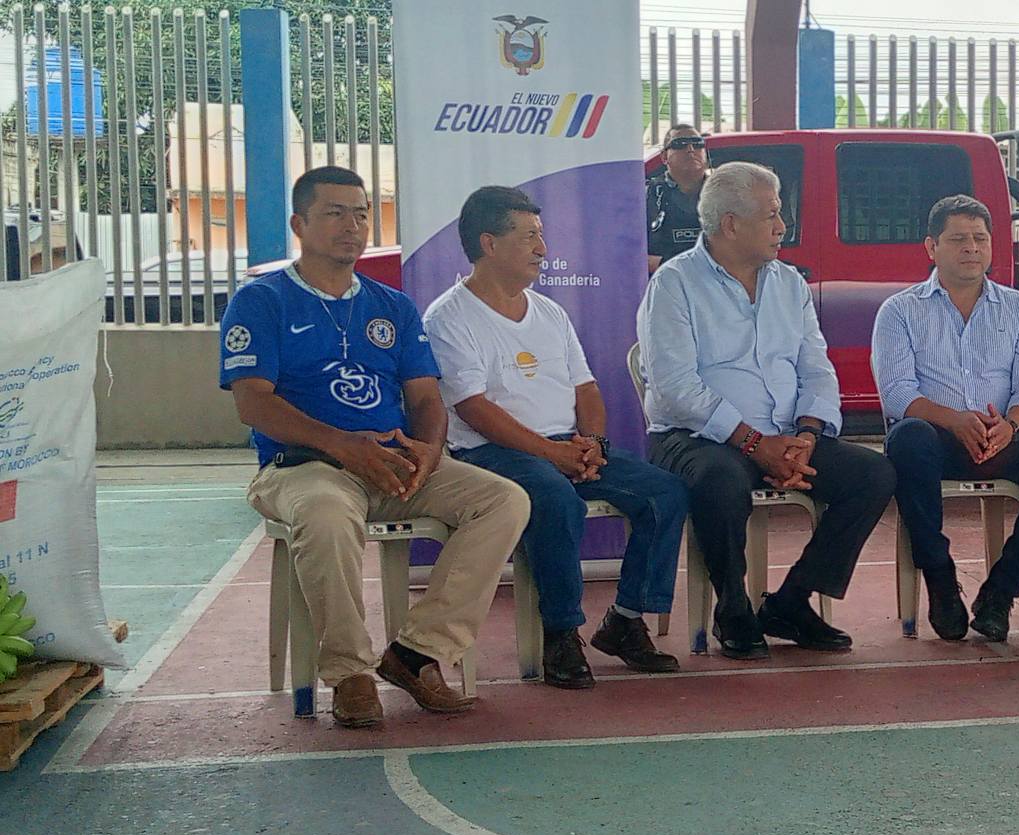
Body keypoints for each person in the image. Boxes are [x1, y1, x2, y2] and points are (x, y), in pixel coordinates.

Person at [222, 166, 527, 729]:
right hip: (304, 468)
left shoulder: (393, 305)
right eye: (335, 213)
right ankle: (350, 673)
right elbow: (253, 404)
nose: (353, 226)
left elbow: (426, 398)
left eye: (361, 214)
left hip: (395, 464)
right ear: (299, 224)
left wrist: (429, 453)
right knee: (324, 514)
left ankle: (417, 652)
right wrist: (344, 447)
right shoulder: (261, 301)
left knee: (504, 500)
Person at [425, 186, 689, 690]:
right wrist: (554, 455)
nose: (542, 249)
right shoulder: (448, 318)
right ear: (489, 244)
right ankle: (561, 634)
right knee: (556, 500)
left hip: (565, 445)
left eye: (541, 236)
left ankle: (626, 620)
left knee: (665, 492)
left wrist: (591, 445)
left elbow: (585, 388)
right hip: (491, 454)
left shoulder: (549, 312)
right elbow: (473, 408)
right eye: (529, 237)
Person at [639, 161, 897, 661]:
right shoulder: (674, 284)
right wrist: (754, 443)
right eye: (772, 215)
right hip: (698, 437)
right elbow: (674, 388)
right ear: (730, 224)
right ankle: (732, 608)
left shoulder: (789, 283)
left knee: (874, 474)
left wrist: (807, 435)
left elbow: (815, 366)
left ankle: (791, 602)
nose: (783, 226)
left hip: (785, 435)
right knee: (720, 481)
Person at [872, 195, 1019, 642]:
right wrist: (954, 420)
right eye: (958, 239)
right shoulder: (899, 311)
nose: (971, 248)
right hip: (936, 439)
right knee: (907, 440)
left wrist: (1013, 425)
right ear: (931, 247)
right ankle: (940, 579)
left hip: (1004, 437)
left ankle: (1000, 594)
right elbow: (897, 394)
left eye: (980, 238)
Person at [646, 124, 707, 273]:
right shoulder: (646, 195)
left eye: (697, 143)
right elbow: (629, 252)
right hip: (663, 282)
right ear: (664, 157)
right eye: (680, 144)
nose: (690, 149)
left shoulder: (724, 193)